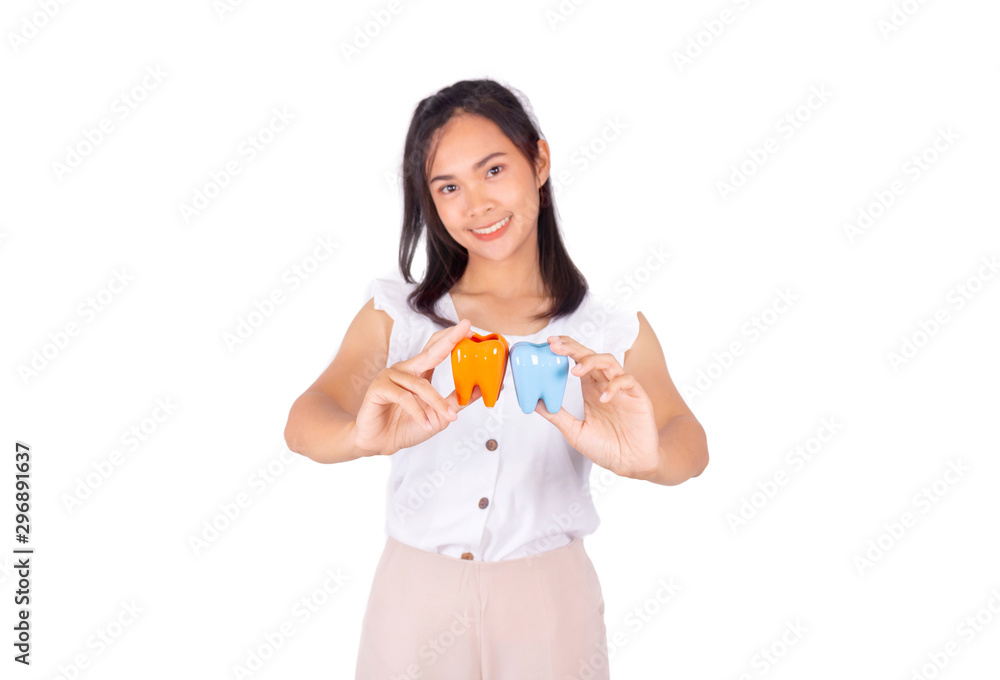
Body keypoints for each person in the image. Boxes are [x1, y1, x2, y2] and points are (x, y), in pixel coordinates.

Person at [283, 78, 709, 680]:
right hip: (414, 599)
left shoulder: (608, 332)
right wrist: (359, 435)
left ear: (539, 161)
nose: (476, 204)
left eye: (493, 170)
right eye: (448, 186)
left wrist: (648, 459)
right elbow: (305, 422)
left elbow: (688, 443)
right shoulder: (399, 316)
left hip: (550, 602)